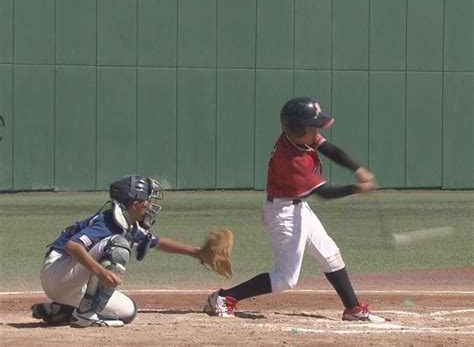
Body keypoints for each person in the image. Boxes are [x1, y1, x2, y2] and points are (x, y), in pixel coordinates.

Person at [204, 96, 386, 322]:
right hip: (283, 214)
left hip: (298, 207)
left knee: (330, 254)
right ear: (298, 128)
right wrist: (357, 188)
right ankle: (224, 297)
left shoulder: (299, 138)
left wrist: (358, 169)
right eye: (313, 127)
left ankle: (353, 308)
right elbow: (324, 194)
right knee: (287, 278)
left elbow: (331, 150)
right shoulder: (293, 160)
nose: (317, 131)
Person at [31, 175, 205, 328]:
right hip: (58, 272)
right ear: (134, 204)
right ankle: (85, 315)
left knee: (128, 311)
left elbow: (157, 243)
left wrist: (197, 252)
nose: (150, 205)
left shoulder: (126, 224)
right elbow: (72, 246)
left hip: (71, 284)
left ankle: (63, 310)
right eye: (147, 200)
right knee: (118, 245)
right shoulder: (107, 222)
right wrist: (99, 271)